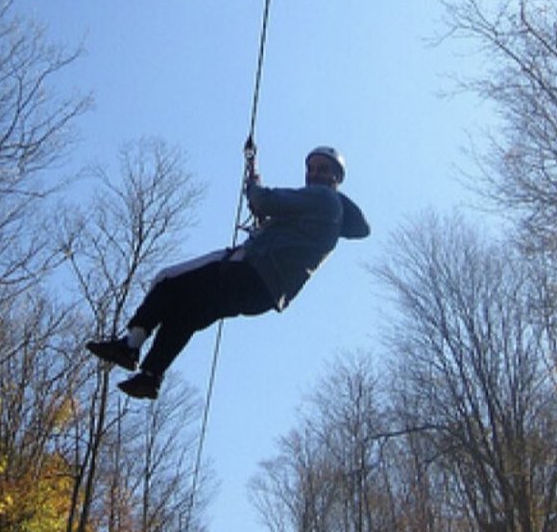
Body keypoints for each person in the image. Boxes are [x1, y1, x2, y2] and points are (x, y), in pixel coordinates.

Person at [86, 145, 370, 399]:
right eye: (310, 168)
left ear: (336, 178)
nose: (314, 174)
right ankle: (150, 377)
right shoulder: (323, 220)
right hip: (263, 295)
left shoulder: (323, 199)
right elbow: (273, 215)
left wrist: (253, 186)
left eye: (322, 169)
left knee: (167, 280)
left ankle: (130, 347)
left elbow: (264, 200)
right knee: (185, 315)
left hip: (249, 270)